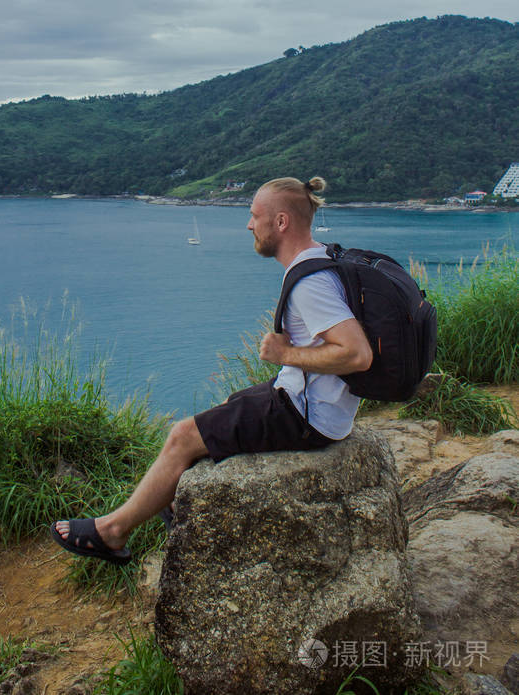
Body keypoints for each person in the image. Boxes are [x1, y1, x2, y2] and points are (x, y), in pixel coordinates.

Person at [50, 175, 372, 565]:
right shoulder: (321, 257)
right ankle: (176, 500)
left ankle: (111, 531)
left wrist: (285, 354)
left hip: (308, 416)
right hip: (310, 401)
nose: (249, 225)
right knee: (225, 408)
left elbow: (357, 355)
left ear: (281, 222)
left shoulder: (311, 283)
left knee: (182, 435)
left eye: (255, 216)